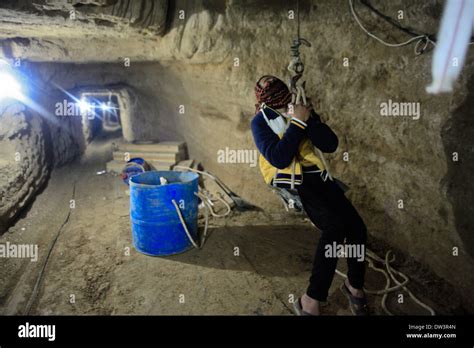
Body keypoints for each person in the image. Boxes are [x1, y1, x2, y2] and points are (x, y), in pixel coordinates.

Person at [250, 75, 369, 316]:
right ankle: (310, 300)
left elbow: (330, 144)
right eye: (276, 99)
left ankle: (354, 286)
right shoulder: (260, 122)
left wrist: (309, 119)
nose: (283, 102)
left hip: (318, 176)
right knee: (334, 228)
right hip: (295, 181)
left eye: (283, 96)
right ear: (266, 101)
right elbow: (279, 158)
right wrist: (298, 123)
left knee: (357, 227)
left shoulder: (300, 109)